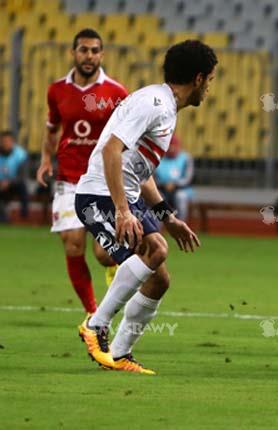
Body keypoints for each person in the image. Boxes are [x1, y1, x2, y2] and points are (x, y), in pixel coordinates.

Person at [75, 40, 217, 375]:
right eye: (210, 80)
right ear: (198, 79)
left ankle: (121, 354)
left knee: (159, 280)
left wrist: (169, 216)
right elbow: (111, 150)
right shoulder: (153, 104)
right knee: (156, 249)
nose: (210, 88)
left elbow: (140, 171)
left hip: (123, 195)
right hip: (99, 195)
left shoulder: (164, 107)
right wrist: (123, 211)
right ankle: (95, 325)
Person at [36, 28, 128, 314]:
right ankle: (92, 313)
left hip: (102, 181)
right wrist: (45, 160)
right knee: (73, 244)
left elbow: (126, 136)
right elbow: (52, 129)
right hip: (69, 179)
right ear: (73, 53)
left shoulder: (116, 92)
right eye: (83, 50)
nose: (89, 56)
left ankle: (113, 272)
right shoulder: (57, 90)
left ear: (102, 54)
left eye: (94, 50)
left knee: (104, 253)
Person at [155, 134, 194, 221]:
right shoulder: (159, 158)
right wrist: (164, 185)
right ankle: (160, 224)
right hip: (162, 188)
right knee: (157, 198)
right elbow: (153, 178)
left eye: (174, 146)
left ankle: (180, 223)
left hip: (182, 189)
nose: (171, 148)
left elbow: (188, 178)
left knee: (180, 197)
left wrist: (175, 184)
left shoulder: (186, 158)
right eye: (169, 146)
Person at [0, 130, 29, 222]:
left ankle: (24, 217)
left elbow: (22, 175)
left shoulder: (21, 155)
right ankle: (3, 217)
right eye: (4, 141)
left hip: (14, 184)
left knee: (23, 187)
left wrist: (9, 182)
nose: (6, 144)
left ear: (13, 142)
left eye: (8, 141)